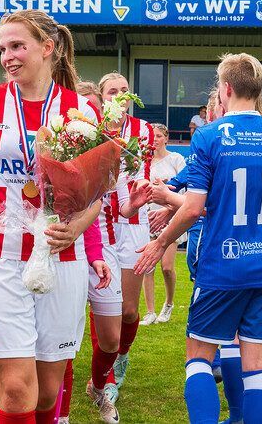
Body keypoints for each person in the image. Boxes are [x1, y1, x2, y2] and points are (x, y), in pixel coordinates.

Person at [0, 9, 109, 424]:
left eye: (17, 46)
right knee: (16, 390)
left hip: (60, 260)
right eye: (2, 48)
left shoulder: (83, 110)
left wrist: (78, 229)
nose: (7, 57)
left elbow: (98, 193)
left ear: (47, 48)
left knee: (48, 393)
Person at [135, 53, 262, 424]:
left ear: (226, 89)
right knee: (257, 368)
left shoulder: (209, 135)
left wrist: (160, 242)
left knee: (198, 357)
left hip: (223, 266)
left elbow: (194, 208)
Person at [99, 72, 154, 395]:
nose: (119, 96)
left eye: (124, 91)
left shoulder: (142, 131)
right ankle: (103, 376)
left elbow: (136, 176)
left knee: (129, 309)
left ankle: (121, 357)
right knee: (104, 304)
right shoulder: (90, 128)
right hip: (99, 223)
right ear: (103, 97)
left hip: (132, 223)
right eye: (112, 92)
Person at [140, 123, 185, 325]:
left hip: (171, 218)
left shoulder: (176, 159)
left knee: (167, 267)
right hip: (148, 218)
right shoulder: (143, 161)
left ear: (166, 138)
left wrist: (168, 192)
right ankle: (149, 311)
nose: (155, 139)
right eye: (152, 136)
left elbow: (186, 186)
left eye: (159, 136)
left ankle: (169, 303)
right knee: (147, 267)